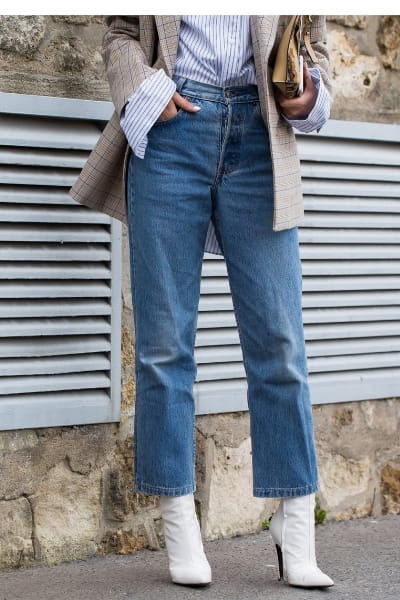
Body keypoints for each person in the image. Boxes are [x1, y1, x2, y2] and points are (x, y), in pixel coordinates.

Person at [70, 15, 334, 589]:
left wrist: (310, 92)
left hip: (261, 134)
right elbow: (120, 34)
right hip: (171, 132)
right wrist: (146, 88)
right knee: (165, 347)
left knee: (281, 345)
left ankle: (295, 532)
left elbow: (312, 37)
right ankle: (179, 524)